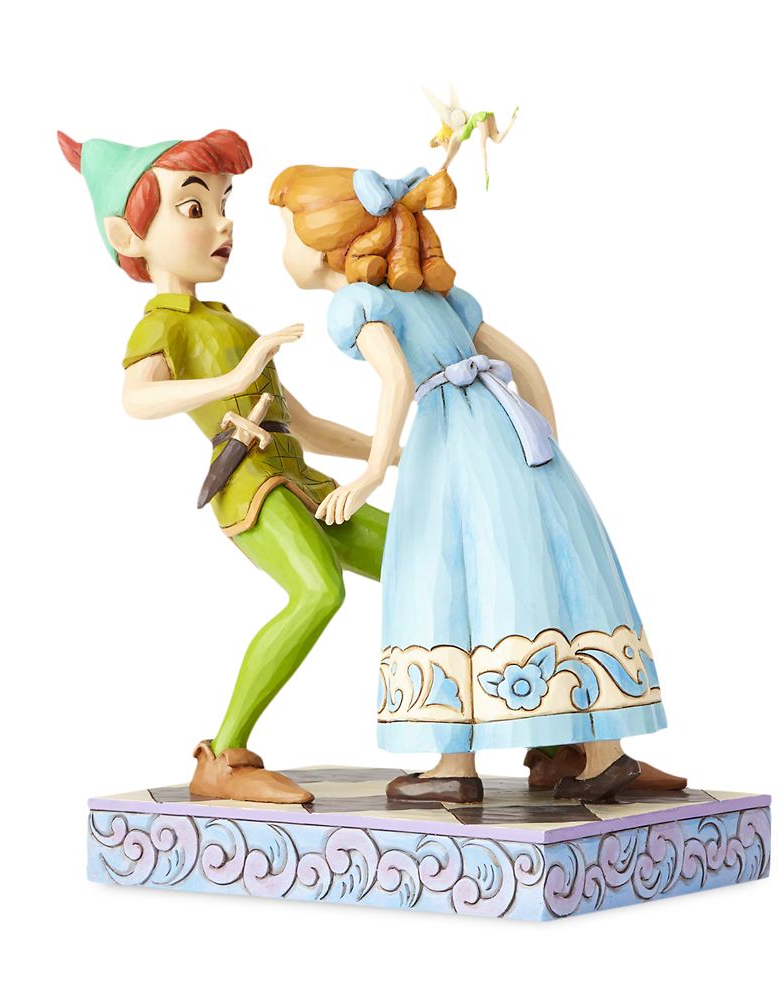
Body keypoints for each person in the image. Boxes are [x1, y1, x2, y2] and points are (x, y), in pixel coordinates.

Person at [270, 163, 684, 803]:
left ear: (324, 239)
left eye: (286, 230)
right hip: (510, 431)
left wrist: (374, 469)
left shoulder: (355, 303)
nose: (282, 248)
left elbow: (397, 380)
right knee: (546, 570)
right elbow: (525, 365)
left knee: (445, 572)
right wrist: (543, 446)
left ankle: (454, 764)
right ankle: (604, 752)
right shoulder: (442, 299)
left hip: (451, 443)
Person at [59, 131, 390, 803]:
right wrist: (234, 381)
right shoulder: (164, 324)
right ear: (128, 237)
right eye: (195, 208)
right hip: (250, 484)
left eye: (223, 204)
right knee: (318, 591)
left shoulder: (233, 325)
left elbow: (304, 424)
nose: (223, 223)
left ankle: (491, 729)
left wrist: (393, 450)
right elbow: (136, 398)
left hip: (302, 478)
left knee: (420, 556)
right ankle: (224, 757)